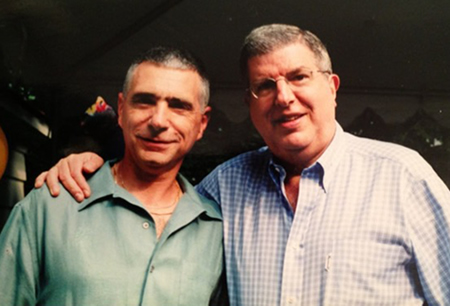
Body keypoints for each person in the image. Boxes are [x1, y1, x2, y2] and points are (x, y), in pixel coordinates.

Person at [35, 24, 450, 305]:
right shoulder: (222, 190)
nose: (283, 96)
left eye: (299, 77)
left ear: (332, 86)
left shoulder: (403, 179)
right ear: (250, 105)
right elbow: (152, 192)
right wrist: (91, 166)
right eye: (264, 86)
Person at [0, 46, 226, 305]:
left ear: (202, 124)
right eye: (145, 101)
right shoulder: (50, 207)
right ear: (121, 109)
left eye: (178, 106)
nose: (159, 121)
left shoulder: (216, 232)